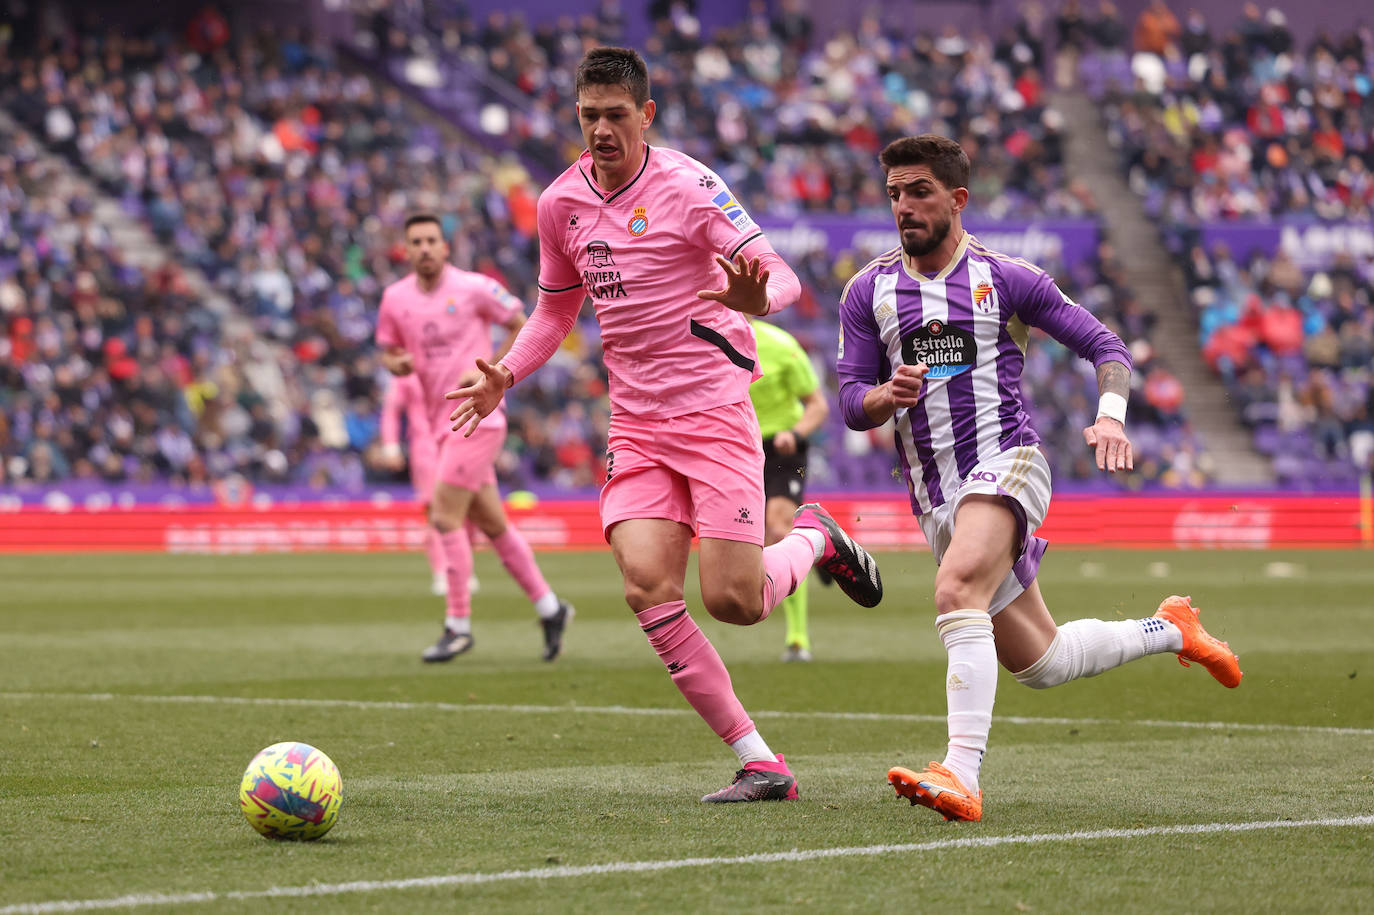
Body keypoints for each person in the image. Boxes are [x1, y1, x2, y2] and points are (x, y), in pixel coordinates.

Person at [448, 47, 883, 803]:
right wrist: (506, 374)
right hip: (638, 423)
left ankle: (815, 534)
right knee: (648, 584)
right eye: (590, 116)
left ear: (646, 115)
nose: (602, 130)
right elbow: (556, 309)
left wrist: (759, 299)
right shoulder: (560, 205)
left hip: (713, 411)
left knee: (735, 602)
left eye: (617, 115)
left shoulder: (690, 186)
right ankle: (760, 760)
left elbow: (778, 271)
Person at [835, 135, 1241, 823]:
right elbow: (850, 400)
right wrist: (883, 397)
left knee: (955, 587)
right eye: (895, 193)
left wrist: (1110, 417)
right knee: (1042, 661)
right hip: (939, 499)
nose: (904, 206)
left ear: (958, 199)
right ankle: (1173, 628)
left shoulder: (1007, 278)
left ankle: (961, 772)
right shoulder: (868, 289)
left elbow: (1106, 346)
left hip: (1009, 462)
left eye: (920, 192)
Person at [376, 213, 573, 663]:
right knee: (494, 525)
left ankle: (458, 625)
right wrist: (397, 364)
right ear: (405, 251)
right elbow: (388, 351)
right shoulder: (395, 299)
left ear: (445, 248)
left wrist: (495, 370)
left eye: (431, 240)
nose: (425, 248)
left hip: (477, 417)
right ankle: (551, 607)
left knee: (444, 516)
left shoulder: (475, 288)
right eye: (416, 242)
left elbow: (523, 321)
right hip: (437, 425)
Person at [747, 319, 830, 662]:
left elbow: (818, 405)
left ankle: (798, 639)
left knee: (778, 530)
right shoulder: (702, 342)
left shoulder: (781, 346)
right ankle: (822, 548)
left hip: (784, 449)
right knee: (759, 540)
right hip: (739, 449)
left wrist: (795, 434)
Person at [377, 372, 480, 598]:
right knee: (435, 511)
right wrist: (391, 446)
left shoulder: (461, 361)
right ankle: (442, 572)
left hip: (462, 443)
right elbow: (392, 409)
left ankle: (464, 569)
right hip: (426, 448)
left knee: (469, 509)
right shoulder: (410, 369)